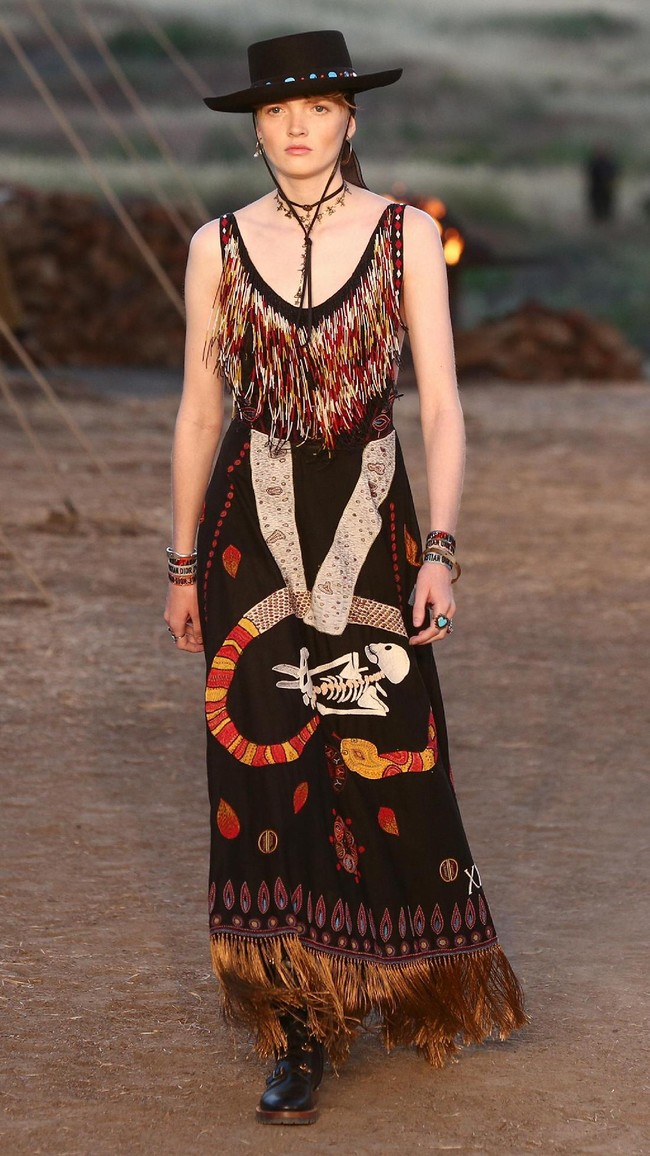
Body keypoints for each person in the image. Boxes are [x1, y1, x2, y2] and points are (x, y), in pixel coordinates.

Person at [164, 30, 527, 1126]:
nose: (296, 126)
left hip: (376, 530)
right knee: (265, 764)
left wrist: (444, 551)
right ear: (255, 126)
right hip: (247, 537)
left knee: (390, 750)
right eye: (278, 110)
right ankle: (298, 1024)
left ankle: (408, 974)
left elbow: (443, 407)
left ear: (350, 119)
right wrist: (181, 565)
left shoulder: (407, 235)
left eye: (317, 106)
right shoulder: (216, 246)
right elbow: (198, 414)